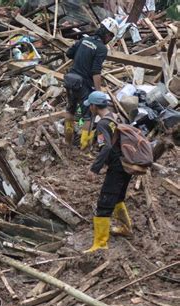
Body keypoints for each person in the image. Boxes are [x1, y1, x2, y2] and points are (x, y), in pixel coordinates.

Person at [84, 91, 133, 253]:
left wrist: (94, 169)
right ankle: (126, 228)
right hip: (127, 164)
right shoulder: (116, 116)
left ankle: (100, 243)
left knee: (104, 202)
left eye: (89, 106)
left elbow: (106, 147)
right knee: (118, 197)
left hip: (117, 167)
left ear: (93, 106)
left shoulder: (102, 124)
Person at [64, 18, 119, 149]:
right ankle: (83, 147)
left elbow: (69, 53)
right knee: (88, 117)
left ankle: (67, 142)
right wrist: (98, 92)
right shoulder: (101, 48)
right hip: (83, 84)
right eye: (111, 36)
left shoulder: (83, 40)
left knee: (70, 110)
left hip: (70, 80)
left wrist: (81, 59)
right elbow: (96, 71)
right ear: (108, 34)